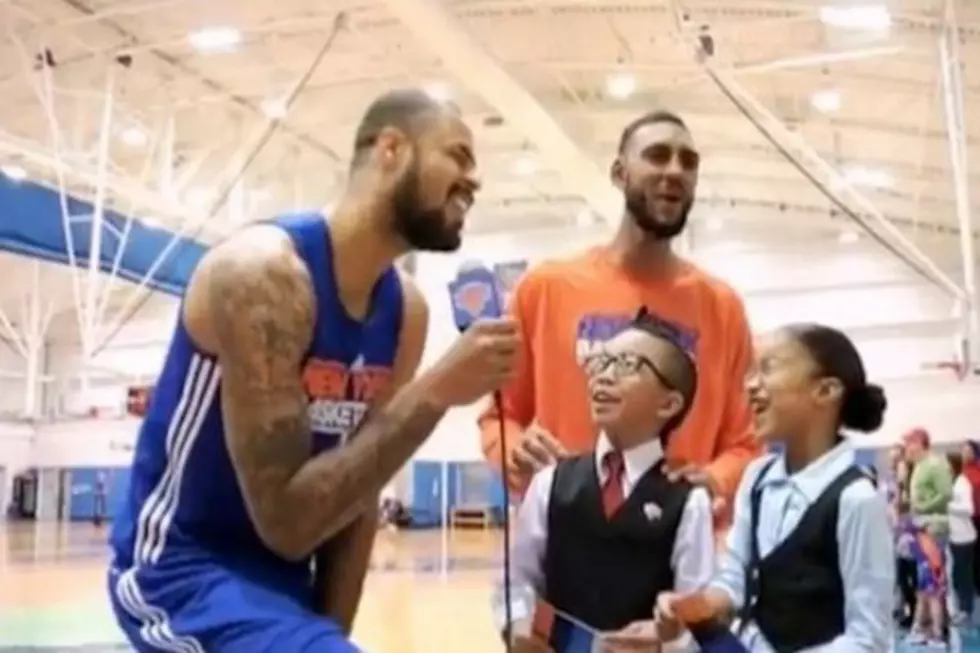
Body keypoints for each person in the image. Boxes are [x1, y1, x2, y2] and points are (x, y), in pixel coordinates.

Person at [106, 88, 520, 652]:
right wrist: (434, 395)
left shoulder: (406, 311)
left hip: (281, 593)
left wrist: (323, 635)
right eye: (459, 156)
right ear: (391, 149)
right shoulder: (261, 275)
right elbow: (287, 522)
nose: (474, 180)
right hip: (180, 573)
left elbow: (361, 485)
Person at [478, 110, 759, 520]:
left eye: (689, 162)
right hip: (564, 544)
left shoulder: (722, 307)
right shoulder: (545, 288)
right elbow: (499, 420)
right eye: (658, 156)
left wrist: (715, 480)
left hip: (677, 554)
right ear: (618, 172)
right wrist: (515, 452)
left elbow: (747, 443)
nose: (675, 171)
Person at [655, 323, 894, 652]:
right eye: (751, 372)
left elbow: (869, 639)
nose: (751, 386)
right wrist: (697, 606)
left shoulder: (856, 500)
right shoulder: (757, 479)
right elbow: (737, 576)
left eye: (768, 368)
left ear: (825, 391)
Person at [503, 309, 712, 653]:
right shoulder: (550, 482)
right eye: (600, 362)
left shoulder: (688, 501)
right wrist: (518, 627)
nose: (604, 376)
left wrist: (667, 645)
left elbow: (696, 610)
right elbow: (518, 579)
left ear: (669, 403)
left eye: (627, 364)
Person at [902, 428, 953, 648]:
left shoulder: (935, 465)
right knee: (924, 582)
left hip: (933, 527)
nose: (906, 448)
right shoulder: (918, 467)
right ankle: (923, 628)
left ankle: (937, 632)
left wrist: (921, 507)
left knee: (932, 581)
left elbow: (946, 494)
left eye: (909, 443)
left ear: (920, 443)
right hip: (920, 528)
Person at [946, 452, 976, 625]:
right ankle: (959, 608)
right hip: (953, 536)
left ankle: (967, 609)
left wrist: (948, 505)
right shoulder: (951, 483)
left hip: (965, 537)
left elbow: (968, 509)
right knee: (955, 575)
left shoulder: (962, 483)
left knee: (964, 575)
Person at [958, 441, 980, 596]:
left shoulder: (978, 470)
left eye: (968, 450)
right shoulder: (959, 473)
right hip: (965, 520)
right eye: (963, 450)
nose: (965, 453)